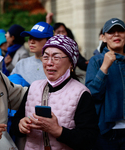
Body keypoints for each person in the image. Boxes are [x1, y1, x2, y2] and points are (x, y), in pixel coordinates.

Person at [11, 34, 99, 150]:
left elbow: (90, 139)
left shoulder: (81, 93)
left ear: (71, 63)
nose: (49, 63)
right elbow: (15, 125)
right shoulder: (34, 87)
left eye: (56, 57)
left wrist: (58, 131)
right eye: (46, 57)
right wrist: (20, 126)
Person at [85, 18, 125, 150]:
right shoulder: (96, 61)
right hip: (107, 132)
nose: (116, 34)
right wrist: (104, 68)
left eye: (120, 31)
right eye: (111, 32)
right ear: (103, 37)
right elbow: (91, 94)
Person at [9, 21, 54, 86]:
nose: (31, 41)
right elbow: (9, 87)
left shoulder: (55, 66)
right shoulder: (21, 64)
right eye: (30, 38)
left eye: (37, 38)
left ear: (49, 41)